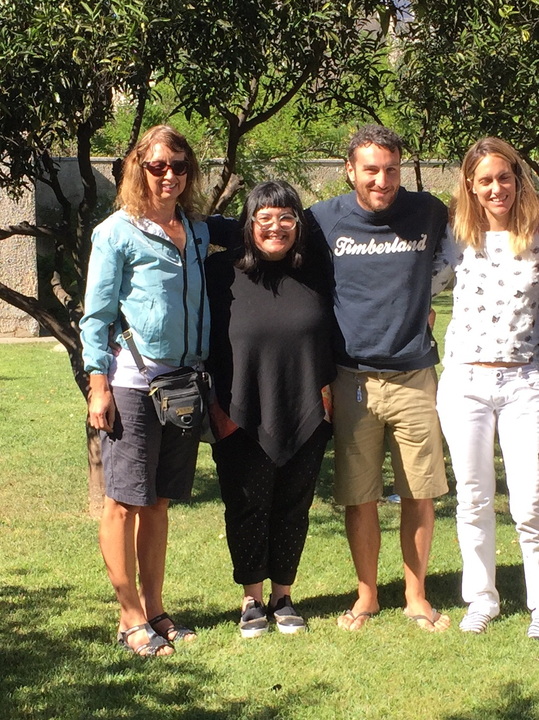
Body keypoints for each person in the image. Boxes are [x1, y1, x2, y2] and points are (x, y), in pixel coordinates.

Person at [306, 124, 456, 632]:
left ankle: (416, 595)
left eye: (391, 169)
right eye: (371, 170)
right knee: (359, 494)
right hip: (352, 379)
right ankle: (366, 595)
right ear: (350, 170)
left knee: (419, 491)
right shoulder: (322, 220)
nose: (382, 180)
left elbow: (478, 229)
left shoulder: (428, 211)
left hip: (415, 374)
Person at [81, 125, 209, 657]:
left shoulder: (196, 231)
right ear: (140, 168)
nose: (169, 176)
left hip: (181, 383)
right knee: (123, 502)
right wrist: (98, 385)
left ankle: (155, 609)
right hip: (132, 382)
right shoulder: (116, 232)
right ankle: (130, 616)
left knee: (157, 502)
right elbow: (96, 314)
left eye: (179, 166)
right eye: (158, 166)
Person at [436, 137, 539, 639]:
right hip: (465, 380)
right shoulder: (456, 235)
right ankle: (481, 598)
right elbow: (422, 285)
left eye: (504, 178)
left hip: (525, 381)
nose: (496, 189)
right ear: (470, 184)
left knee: (531, 500)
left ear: (518, 178)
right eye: (485, 180)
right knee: (473, 498)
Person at [204, 181, 336, 637]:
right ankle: (251, 599)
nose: (275, 227)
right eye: (264, 218)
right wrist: (218, 410)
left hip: (307, 408)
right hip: (239, 410)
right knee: (246, 506)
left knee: (293, 506)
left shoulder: (318, 270)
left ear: (298, 225)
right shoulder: (219, 271)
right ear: (248, 225)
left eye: (285, 218)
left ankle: (283, 596)